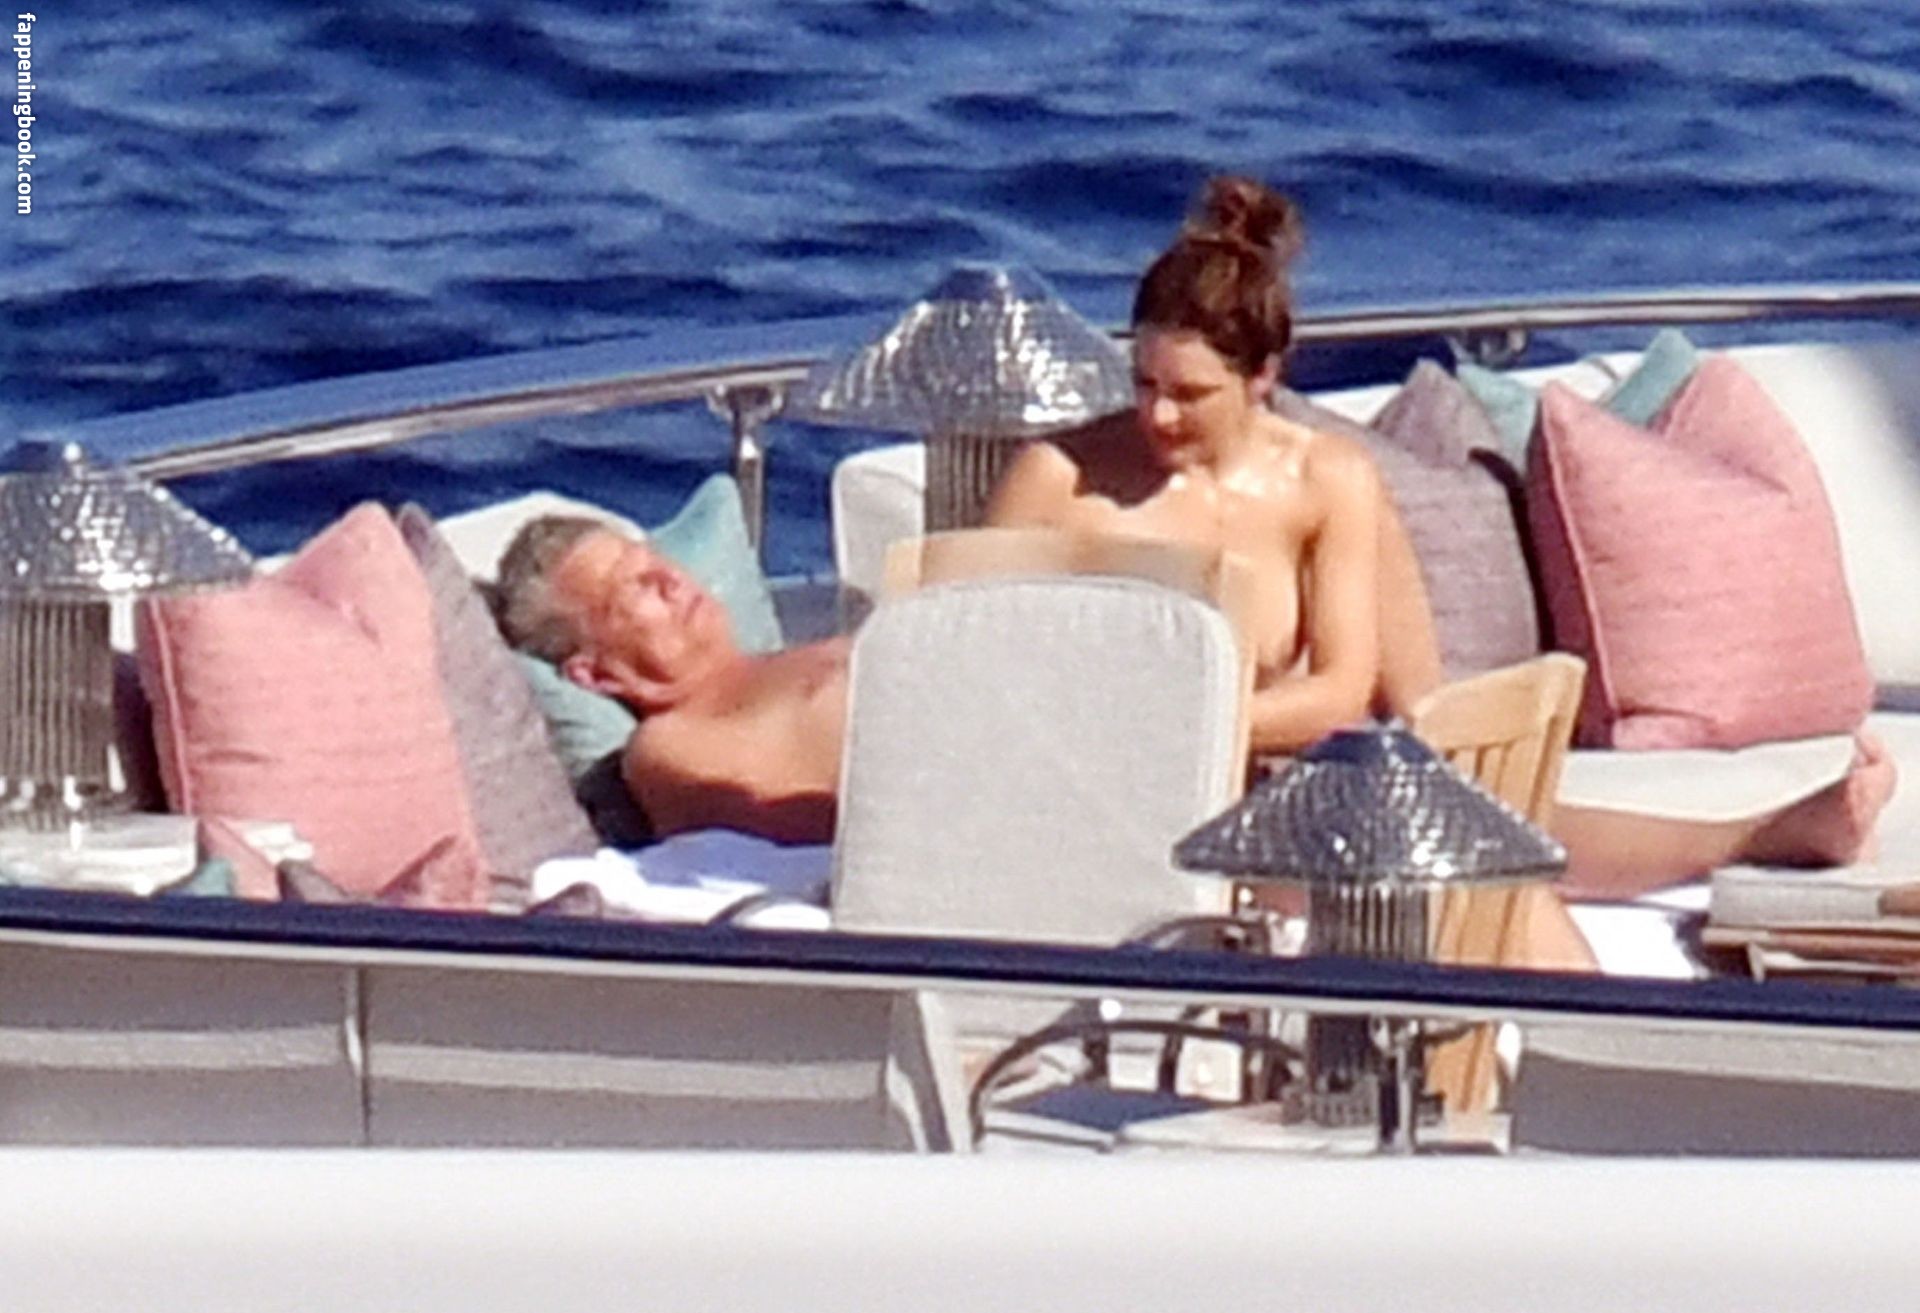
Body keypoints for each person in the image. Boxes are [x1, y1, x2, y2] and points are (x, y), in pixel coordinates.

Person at [490, 176, 1894, 898]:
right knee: (1386, 826)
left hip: (1168, 744)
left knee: (1434, 787)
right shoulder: (677, 750)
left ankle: (1757, 835)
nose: (677, 574)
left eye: (655, 558)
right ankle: (1750, 841)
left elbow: (1337, 687)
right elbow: (844, 809)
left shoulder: (825, 644)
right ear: (596, 673)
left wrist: (1147, 721)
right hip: (1067, 795)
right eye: (638, 589)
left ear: (1264, 379)